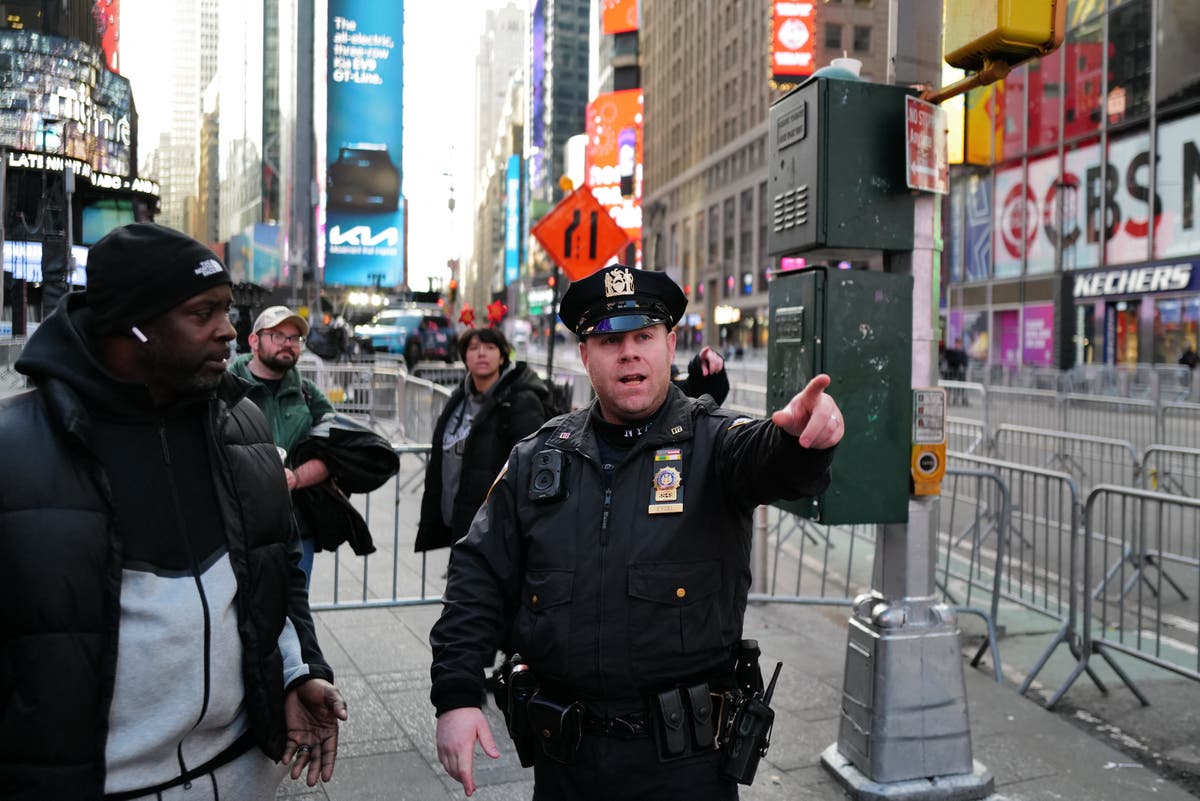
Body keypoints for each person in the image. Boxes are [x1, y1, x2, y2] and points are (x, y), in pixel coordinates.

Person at [429, 264, 843, 800]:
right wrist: (457, 695)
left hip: (685, 767)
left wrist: (802, 443)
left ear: (670, 345)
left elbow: (767, 456)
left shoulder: (714, 444)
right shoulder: (537, 457)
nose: (628, 353)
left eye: (644, 336)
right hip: (566, 763)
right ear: (584, 355)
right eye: (609, 340)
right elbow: (476, 574)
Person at [0, 223, 346, 799]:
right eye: (202, 313)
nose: (227, 331)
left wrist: (295, 671)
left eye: (227, 310)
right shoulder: (16, 453)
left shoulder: (243, 427)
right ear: (131, 327)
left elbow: (275, 576)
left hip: (246, 776)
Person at [415, 326, 552, 552]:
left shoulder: (521, 401)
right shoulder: (458, 400)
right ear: (464, 357)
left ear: (502, 357)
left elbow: (529, 464)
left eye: (490, 347)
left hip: (496, 532)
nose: (481, 353)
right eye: (474, 348)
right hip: (460, 525)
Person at [228, 306, 336, 585]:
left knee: (295, 610)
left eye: (295, 338)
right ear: (254, 341)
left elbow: (337, 451)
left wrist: (297, 477)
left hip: (296, 530)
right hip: (238, 529)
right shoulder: (226, 389)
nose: (288, 344)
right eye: (278, 335)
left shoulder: (308, 394)